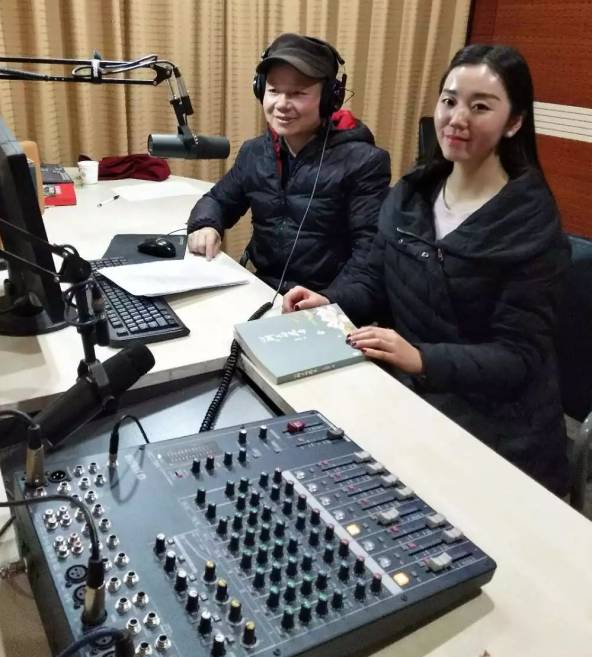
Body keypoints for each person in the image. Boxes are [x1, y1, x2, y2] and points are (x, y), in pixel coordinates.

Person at [284, 44, 570, 495]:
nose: (457, 118)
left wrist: (420, 358)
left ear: (514, 122)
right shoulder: (412, 194)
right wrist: (331, 301)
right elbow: (374, 277)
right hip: (412, 398)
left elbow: (518, 357)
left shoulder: (532, 225)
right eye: (449, 101)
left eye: (481, 107)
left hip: (500, 431)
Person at [187, 33, 391, 295]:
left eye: (298, 93)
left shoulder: (364, 162)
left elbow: (370, 258)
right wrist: (206, 224)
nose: (282, 104)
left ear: (330, 99)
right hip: (262, 289)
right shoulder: (254, 152)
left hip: (325, 299)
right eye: (273, 91)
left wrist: (327, 301)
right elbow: (218, 200)